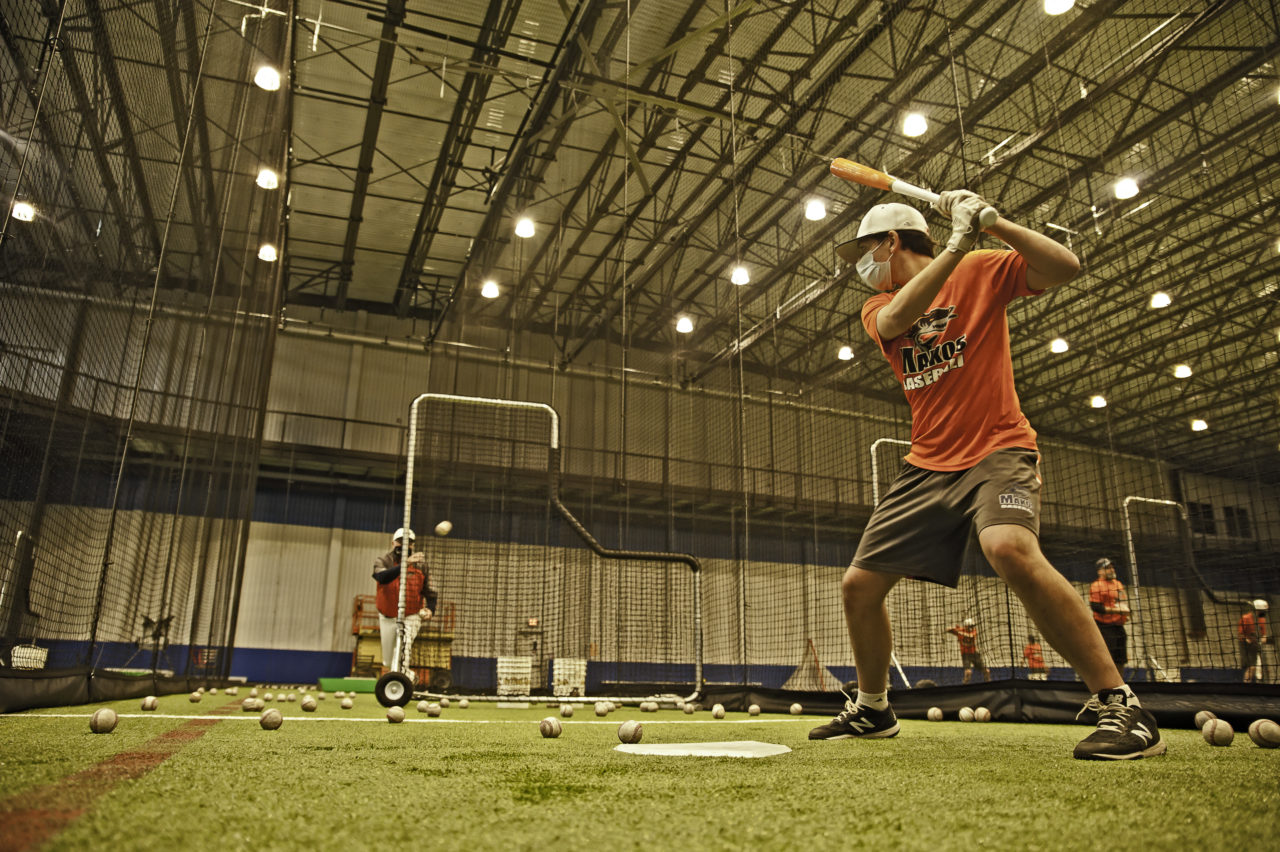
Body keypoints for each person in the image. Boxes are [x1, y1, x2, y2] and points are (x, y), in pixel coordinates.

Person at [807, 193, 1164, 760]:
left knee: (1008, 547)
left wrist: (996, 224)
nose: (861, 264)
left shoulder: (979, 269)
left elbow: (1065, 266)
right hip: (927, 463)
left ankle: (1121, 704)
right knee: (859, 586)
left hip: (998, 447)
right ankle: (874, 709)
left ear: (891, 242)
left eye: (865, 250)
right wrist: (956, 243)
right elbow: (900, 320)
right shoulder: (879, 305)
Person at [372, 527, 437, 676]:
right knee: (389, 660)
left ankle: (401, 679)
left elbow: (431, 592)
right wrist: (405, 564)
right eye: (400, 542)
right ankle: (409, 676)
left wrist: (431, 609)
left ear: (413, 545)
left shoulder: (421, 565)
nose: (404, 545)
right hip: (387, 616)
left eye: (409, 542)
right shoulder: (383, 561)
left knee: (403, 648)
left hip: (411, 615)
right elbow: (382, 577)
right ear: (393, 543)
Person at [1088, 558, 1129, 675]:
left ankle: (1120, 682)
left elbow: (1121, 601)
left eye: (1112, 567)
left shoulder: (1118, 584)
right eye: (1107, 568)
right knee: (1107, 658)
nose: (1111, 570)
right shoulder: (1097, 586)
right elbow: (1096, 607)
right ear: (1100, 571)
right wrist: (1117, 611)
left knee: (1120, 659)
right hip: (1105, 627)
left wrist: (1125, 611)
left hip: (1119, 626)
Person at [946, 618, 990, 683]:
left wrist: (959, 632)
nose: (971, 628)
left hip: (974, 654)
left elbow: (971, 636)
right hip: (965, 655)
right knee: (968, 673)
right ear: (966, 626)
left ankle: (988, 683)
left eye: (972, 626)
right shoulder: (961, 630)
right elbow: (947, 629)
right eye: (970, 626)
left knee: (987, 671)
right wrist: (953, 629)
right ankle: (964, 685)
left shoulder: (973, 631)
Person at [1238, 599, 1269, 683]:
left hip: (1255, 643)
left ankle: (1251, 681)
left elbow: (1263, 634)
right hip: (1245, 644)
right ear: (1257, 610)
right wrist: (1247, 639)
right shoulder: (1245, 618)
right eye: (1262, 611)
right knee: (1250, 666)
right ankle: (1246, 682)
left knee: (1255, 666)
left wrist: (1264, 637)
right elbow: (1240, 634)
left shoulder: (1262, 620)